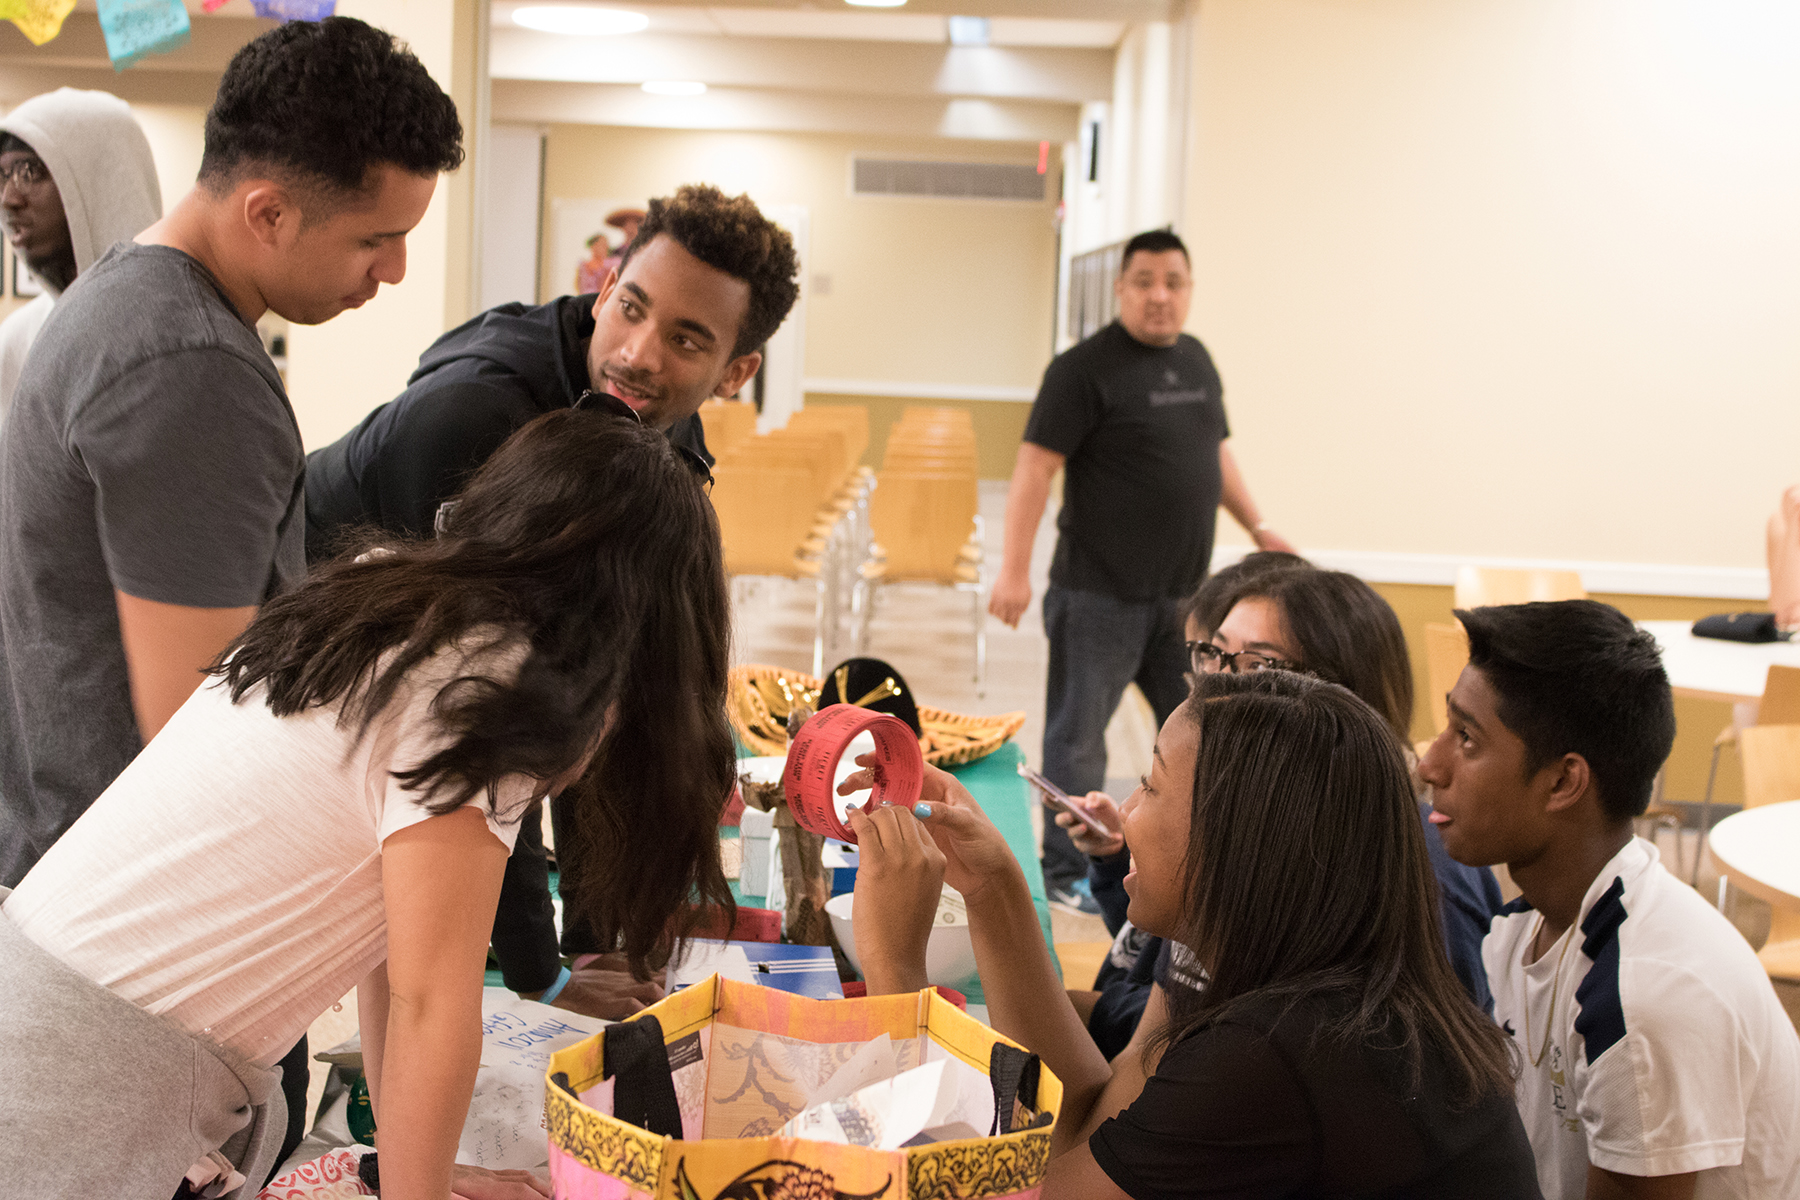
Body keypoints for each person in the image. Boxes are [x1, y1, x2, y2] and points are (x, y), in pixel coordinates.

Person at [0, 409, 736, 1200]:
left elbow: (390, 954)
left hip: (34, 1010)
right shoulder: (478, 688)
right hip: (79, 1082)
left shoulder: (393, 603)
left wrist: (414, 1174)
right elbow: (430, 1007)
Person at [0, 15, 463, 1170]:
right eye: (377, 239)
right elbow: (200, 734)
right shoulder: (190, 370)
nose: (394, 272)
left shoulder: (125, 301)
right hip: (155, 971)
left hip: (89, 915)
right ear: (268, 212)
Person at [305, 182, 798, 1015]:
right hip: (301, 658)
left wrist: (602, 945)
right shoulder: (474, 418)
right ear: (604, 290)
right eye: (631, 308)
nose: (639, 353)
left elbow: (621, 683)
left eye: (685, 339)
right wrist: (542, 973)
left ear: (735, 372)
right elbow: (478, 728)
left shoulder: (653, 425)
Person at [850, 670, 1540, 1198]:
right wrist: (993, 888)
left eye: (1149, 786)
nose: (1125, 812)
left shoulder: (1273, 1053)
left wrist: (895, 973)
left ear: (1236, 846)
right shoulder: (1291, 979)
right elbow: (1083, 1121)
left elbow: (1024, 1191)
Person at [1421, 600, 1800, 1200]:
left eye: (1466, 738)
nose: (1430, 763)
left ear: (1563, 781)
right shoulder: (1524, 930)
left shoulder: (1646, 996)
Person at [1074, 563, 1506, 1057]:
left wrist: (1090, 1010)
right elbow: (1165, 962)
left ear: (1335, 699)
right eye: (1212, 653)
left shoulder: (1417, 870)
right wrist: (1119, 863)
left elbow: (1425, 1060)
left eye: (1258, 667)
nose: (1212, 683)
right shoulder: (1253, 823)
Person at [989, 228, 1296, 909]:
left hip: (1184, 601)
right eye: (1145, 282)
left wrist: (1259, 525)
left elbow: (1215, 454)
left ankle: (1187, 857)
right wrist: (1014, 569)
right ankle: (1067, 872)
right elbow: (1035, 468)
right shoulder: (1081, 370)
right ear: (1121, 288)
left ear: (1189, 290)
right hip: (1097, 596)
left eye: (1173, 282)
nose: (1160, 296)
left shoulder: (1196, 360)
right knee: (1078, 743)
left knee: (1199, 732)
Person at [0, 88, 161, 420]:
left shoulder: (187, 332)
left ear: (101, 184)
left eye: (30, 172)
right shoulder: (17, 341)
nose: (9, 199)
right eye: (1, 177)